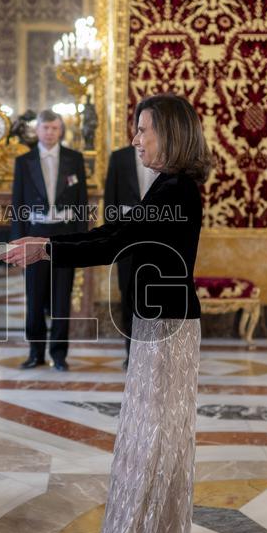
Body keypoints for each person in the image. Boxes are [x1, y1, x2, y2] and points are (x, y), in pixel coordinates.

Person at [6, 94, 211, 533]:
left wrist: (46, 246)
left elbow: (112, 241)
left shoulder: (178, 190)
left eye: (143, 130)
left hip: (168, 325)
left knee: (155, 441)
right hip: (157, 320)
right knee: (150, 439)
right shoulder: (168, 185)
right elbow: (116, 234)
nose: (135, 139)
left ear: (171, 134)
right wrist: (46, 245)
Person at [9, 109, 88, 371]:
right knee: (34, 298)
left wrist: (81, 243)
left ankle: (60, 354)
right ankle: (35, 352)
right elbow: (17, 204)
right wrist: (17, 244)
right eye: (45, 128)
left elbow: (81, 204)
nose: (50, 133)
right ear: (37, 130)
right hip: (34, 235)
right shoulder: (24, 161)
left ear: (60, 130)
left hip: (65, 236)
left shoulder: (74, 159)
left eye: (55, 128)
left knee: (61, 298)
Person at [103, 143, 159, 369]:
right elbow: (110, 202)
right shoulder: (119, 157)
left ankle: (154, 353)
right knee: (128, 296)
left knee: (154, 297)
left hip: (157, 242)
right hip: (126, 241)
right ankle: (132, 353)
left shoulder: (165, 154)